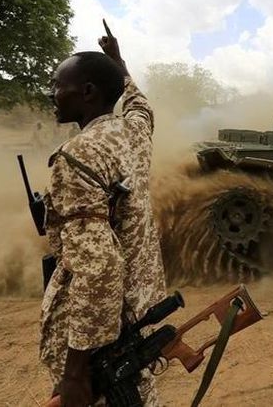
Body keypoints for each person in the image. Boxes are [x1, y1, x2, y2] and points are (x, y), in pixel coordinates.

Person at [40, 21, 165, 406]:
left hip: (98, 328)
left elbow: (99, 266)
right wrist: (120, 64)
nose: (53, 94)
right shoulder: (134, 132)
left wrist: (75, 370)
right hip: (136, 307)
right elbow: (141, 106)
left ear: (87, 92)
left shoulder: (77, 156)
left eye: (58, 85)